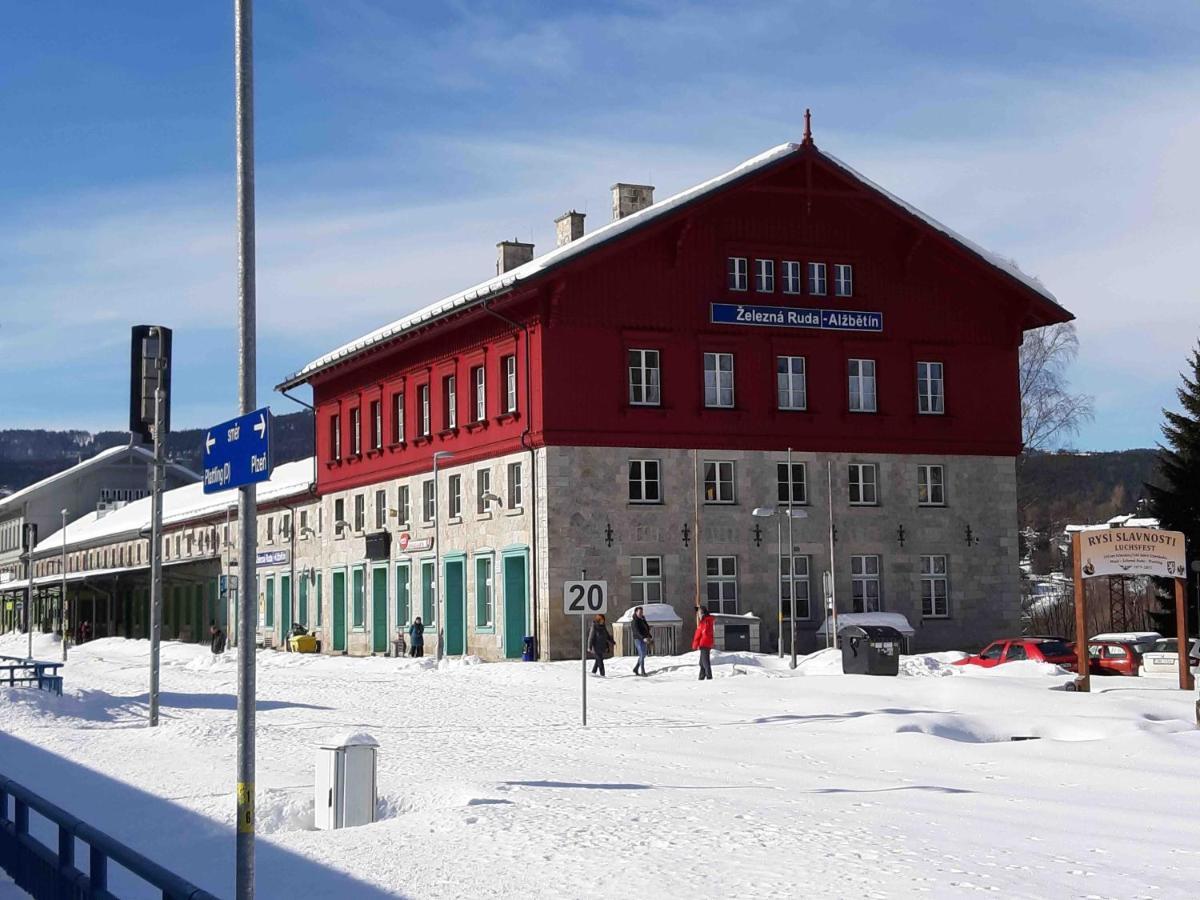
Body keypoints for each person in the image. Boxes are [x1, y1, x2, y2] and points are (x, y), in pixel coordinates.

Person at [693, 606, 715, 680]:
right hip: (706, 643)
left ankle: (709, 677)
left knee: (705, 662)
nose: (698, 615)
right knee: (701, 663)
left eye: (699, 613)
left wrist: (696, 643)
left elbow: (700, 633)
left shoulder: (705, 622)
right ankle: (701, 677)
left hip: (704, 643)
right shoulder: (707, 620)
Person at [631, 606, 652, 676]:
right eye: (640, 612)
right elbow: (636, 632)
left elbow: (646, 627)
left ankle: (636, 668)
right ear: (636, 612)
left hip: (644, 639)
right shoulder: (634, 621)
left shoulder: (642, 619)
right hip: (638, 639)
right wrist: (643, 638)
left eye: (642, 612)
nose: (641, 613)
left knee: (643, 655)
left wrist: (648, 635)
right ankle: (643, 671)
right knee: (642, 654)